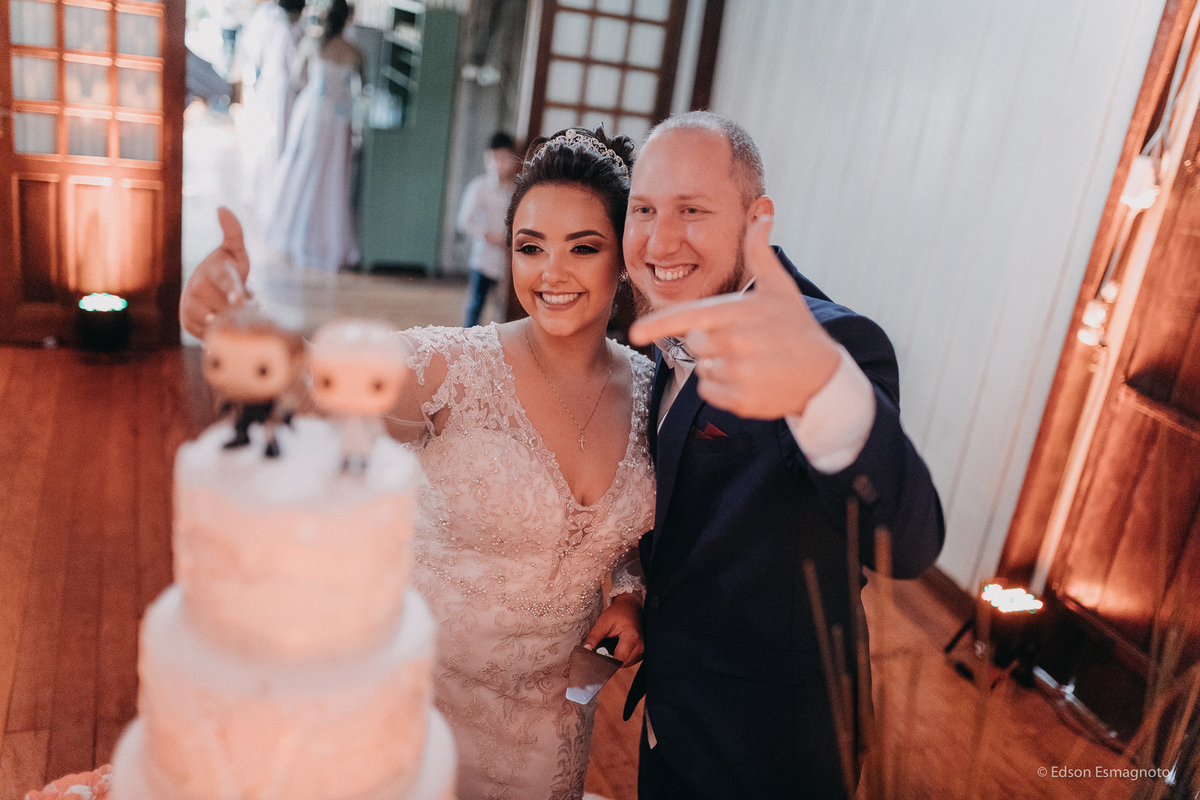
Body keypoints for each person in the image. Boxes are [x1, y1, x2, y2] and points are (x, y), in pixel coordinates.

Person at [180, 127, 655, 800]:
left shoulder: (652, 391)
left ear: (624, 258)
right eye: (530, 247)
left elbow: (638, 530)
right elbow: (320, 382)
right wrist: (236, 324)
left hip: (551, 728)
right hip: (416, 699)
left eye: (583, 247)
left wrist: (631, 595)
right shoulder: (453, 368)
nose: (551, 273)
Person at [615, 111, 946, 799]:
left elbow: (907, 541)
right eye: (643, 209)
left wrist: (825, 390)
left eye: (692, 210)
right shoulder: (663, 328)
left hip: (774, 748)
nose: (659, 239)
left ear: (756, 221)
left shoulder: (826, 345)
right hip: (672, 719)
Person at [260, 0, 363, 272]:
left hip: (315, 114)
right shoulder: (355, 52)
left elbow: (297, 79)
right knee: (333, 176)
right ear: (348, 19)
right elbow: (361, 88)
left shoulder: (313, 44)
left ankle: (298, 231)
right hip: (340, 119)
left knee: (304, 169)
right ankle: (329, 239)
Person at [238, 0, 305, 216]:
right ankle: (277, 194)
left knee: (265, 141)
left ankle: (264, 190)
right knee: (280, 142)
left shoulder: (267, 20)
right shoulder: (293, 31)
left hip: (266, 87)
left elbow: (254, 53)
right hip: (284, 95)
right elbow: (296, 70)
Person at [458, 132, 521, 326]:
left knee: (505, 309)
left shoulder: (518, 189)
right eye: (494, 159)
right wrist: (489, 236)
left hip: (510, 261)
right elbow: (464, 222)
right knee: (475, 305)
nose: (498, 164)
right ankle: (468, 340)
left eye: (503, 158)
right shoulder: (479, 187)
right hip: (483, 258)